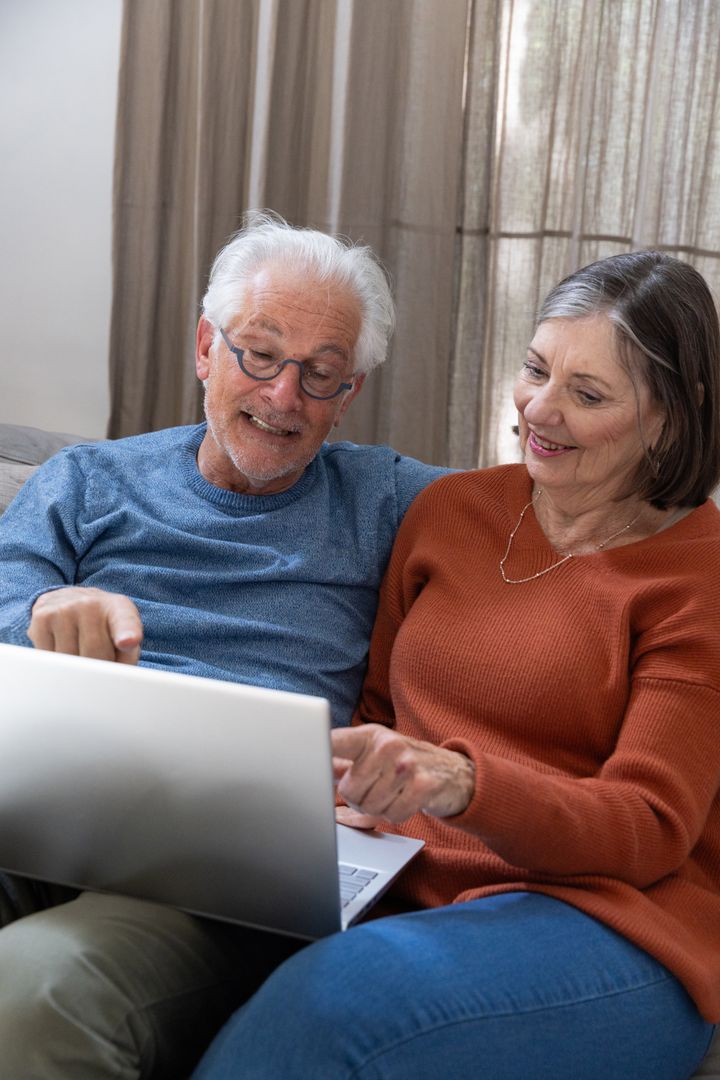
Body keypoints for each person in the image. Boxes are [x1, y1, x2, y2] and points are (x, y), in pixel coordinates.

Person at [191, 250, 720, 1080]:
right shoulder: (453, 510)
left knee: (328, 1007)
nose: (539, 411)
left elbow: (649, 827)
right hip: (403, 882)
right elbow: (378, 714)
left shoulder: (699, 579)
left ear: (669, 417)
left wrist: (464, 786)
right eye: (537, 369)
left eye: (588, 395)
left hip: (608, 922)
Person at [0, 212, 449, 1078]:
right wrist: (49, 606)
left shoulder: (388, 499)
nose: (284, 397)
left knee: (37, 987)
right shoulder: (87, 482)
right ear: (206, 347)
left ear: (348, 392)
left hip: (218, 880)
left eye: (321, 374)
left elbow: (552, 516)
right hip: (41, 813)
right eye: (259, 353)